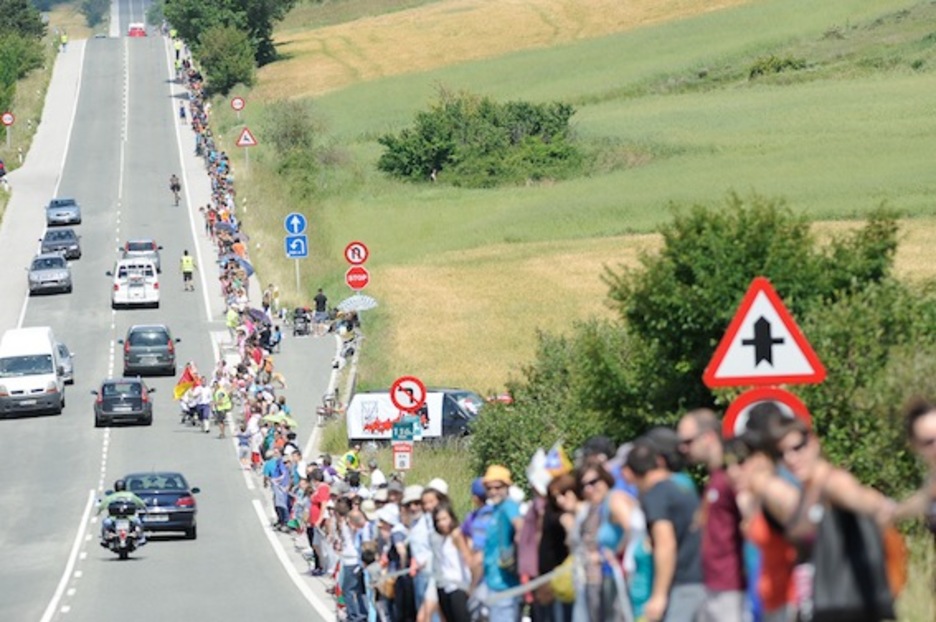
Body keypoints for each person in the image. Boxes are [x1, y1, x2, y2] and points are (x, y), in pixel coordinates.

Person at [677, 409, 746, 622]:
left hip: (732, 587)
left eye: (688, 442)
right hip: (713, 584)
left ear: (708, 437)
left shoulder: (731, 475)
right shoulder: (715, 477)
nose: (683, 448)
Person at [625, 440, 705, 622]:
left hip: (683, 583)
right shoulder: (681, 486)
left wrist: (658, 596)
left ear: (630, 473)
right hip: (703, 578)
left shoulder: (656, 494)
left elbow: (665, 543)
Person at [481, 464, 523, 622]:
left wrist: (513, 554)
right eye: (489, 488)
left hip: (506, 586)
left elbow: (519, 526)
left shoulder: (509, 506)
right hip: (493, 582)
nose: (493, 492)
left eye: (498, 487)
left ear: (507, 487)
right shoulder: (495, 509)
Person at [432, 502, 472, 622]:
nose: (441, 523)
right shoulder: (443, 539)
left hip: (459, 587)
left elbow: (468, 558)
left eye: (444, 519)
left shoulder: (457, 535)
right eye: (438, 520)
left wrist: (471, 586)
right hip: (446, 587)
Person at [97, 479, 147, 546]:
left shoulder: (111, 496)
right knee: (139, 522)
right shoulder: (130, 495)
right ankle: (141, 538)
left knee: (105, 523)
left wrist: (98, 512)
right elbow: (141, 503)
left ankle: (104, 539)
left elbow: (102, 505)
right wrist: (145, 508)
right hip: (130, 518)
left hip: (113, 519)